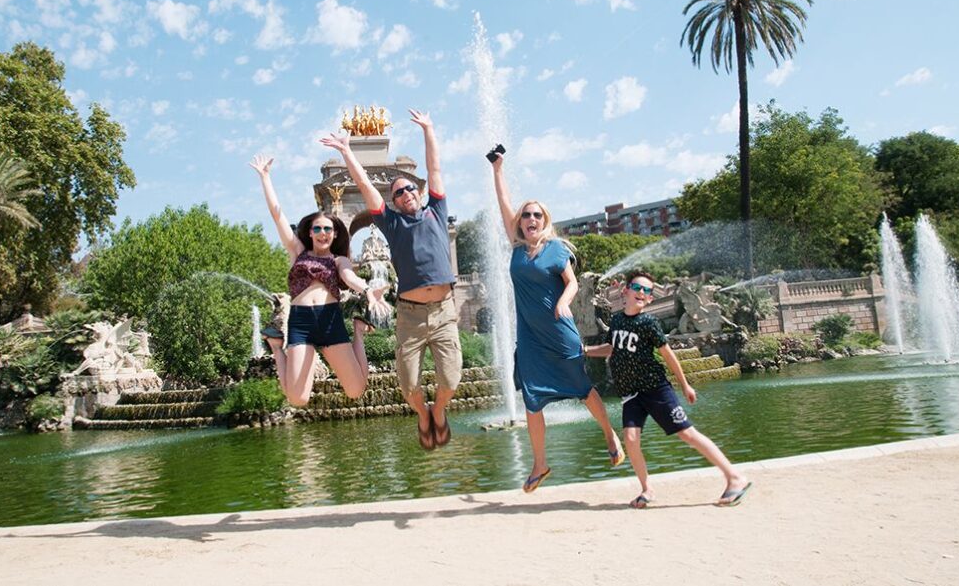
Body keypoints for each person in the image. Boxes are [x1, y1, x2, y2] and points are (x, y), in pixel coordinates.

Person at [320, 109, 460, 450]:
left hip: (444, 311)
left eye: (410, 187)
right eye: (398, 192)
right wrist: (346, 151)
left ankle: (438, 410)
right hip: (410, 316)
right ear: (393, 202)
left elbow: (435, 169)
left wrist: (428, 129)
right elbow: (366, 187)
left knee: (452, 380)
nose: (406, 192)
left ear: (419, 192)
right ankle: (422, 413)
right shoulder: (392, 224)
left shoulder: (437, 211)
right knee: (409, 387)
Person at [490, 153, 625, 493]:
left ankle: (610, 435)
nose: (530, 219)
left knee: (581, 388)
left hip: (559, 332)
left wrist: (564, 302)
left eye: (537, 214)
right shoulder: (517, 247)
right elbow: (503, 202)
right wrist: (498, 169)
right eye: (526, 215)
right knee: (532, 398)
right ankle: (540, 464)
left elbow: (573, 283)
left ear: (544, 220)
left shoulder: (555, 249)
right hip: (530, 338)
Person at [585, 270, 752, 508]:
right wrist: (586, 351)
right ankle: (647, 489)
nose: (641, 292)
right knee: (630, 439)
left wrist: (685, 385)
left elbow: (668, 354)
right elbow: (612, 348)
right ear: (626, 291)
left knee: (687, 434)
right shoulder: (618, 320)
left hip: (655, 389)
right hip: (631, 394)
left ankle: (734, 477)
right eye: (637, 287)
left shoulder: (648, 323)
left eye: (647, 291)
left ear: (650, 299)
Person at [250, 154, 390, 406]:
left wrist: (367, 290)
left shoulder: (338, 260)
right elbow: (277, 215)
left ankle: (358, 332)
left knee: (356, 390)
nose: (322, 233)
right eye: (317, 228)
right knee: (297, 399)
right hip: (301, 321)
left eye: (327, 229)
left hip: (330, 320)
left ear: (334, 234)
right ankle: (276, 345)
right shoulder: (298, 252)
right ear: (310, 232)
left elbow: (349, 277)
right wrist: (265, 177)